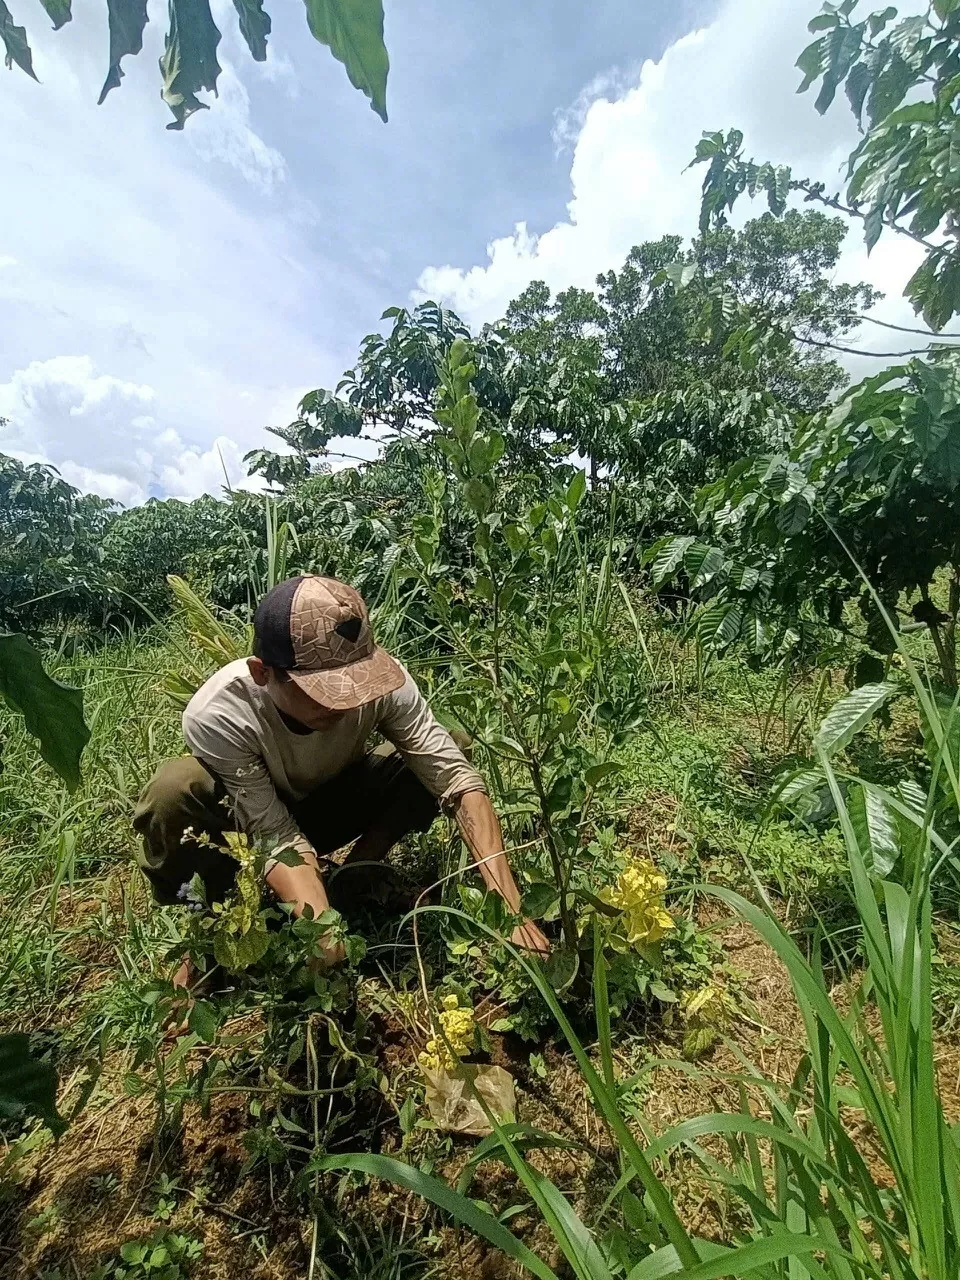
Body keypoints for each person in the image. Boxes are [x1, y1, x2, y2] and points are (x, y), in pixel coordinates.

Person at [134, 574, 550, 977]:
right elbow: (274, 833)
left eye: (355, 682)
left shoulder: (386, 683)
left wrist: (511, 911)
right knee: (174, 792)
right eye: (323, 690)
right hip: (251, 824)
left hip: (333, 800)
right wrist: (323, 929)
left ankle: (356, 874)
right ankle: (209, 925)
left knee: (452, 745)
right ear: (264, 673)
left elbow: (456, 781)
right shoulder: (220, 714)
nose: (346, 701)